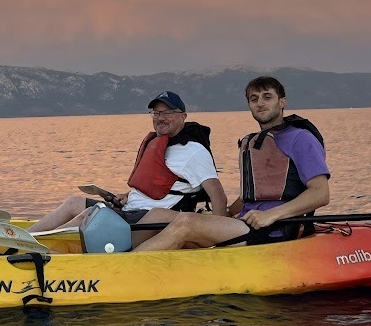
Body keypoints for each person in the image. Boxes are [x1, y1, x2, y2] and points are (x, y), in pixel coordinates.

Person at [136, 75, 329, 252]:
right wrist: (228, 213)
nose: (260, 103)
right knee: (157, 216)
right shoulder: (254, 141)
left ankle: (123, 270)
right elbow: (251, 196)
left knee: (187, 222)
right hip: (247, 222)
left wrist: (272, 215)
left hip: (275, 228)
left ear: (282, 102)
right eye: (254, 99)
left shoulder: (300, 138)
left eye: (267, 97)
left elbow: (321, 193)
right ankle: (122, 255)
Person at [29, 91, 229, 247]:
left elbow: (218, 196)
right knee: (74, 202)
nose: (160, 117)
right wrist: (126, 196)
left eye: (168, 113)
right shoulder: (158, 143)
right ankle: (25, 237)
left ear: (183, 116)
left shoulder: (194, 151)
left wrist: (217, 238)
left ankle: (34, 246)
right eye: (157, 113)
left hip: (149, 220)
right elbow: (156, 184)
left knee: (90, 215)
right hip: (129, 211)